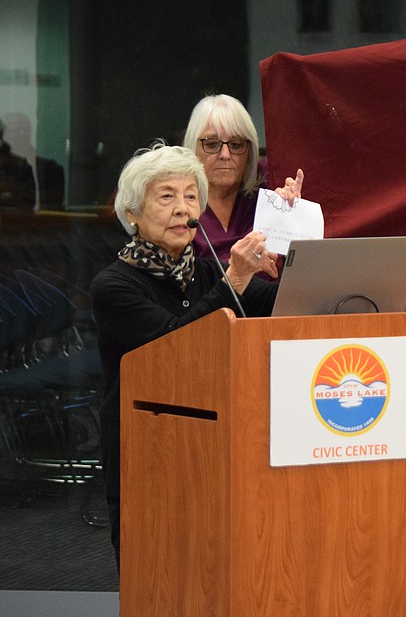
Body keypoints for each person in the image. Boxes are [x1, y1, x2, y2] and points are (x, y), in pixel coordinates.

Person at [91, 142, 281, 565]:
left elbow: (282, 305)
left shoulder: (209, 269)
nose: (183, 208)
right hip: (146, 449)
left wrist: (293, 230)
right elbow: (175, 345)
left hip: (215, 440)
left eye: (191, 196)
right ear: (133, 214)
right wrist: (234, 278)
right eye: (166, 196)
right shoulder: (114, 286)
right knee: (155, 566)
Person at [182, 94, 304, 267]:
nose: (225, 155)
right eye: (211, 144)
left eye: (236, 144)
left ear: (250, 151)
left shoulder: (271, 187)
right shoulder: (179, 204)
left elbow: (299, 268)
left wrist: (291, 217)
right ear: (192, 148)